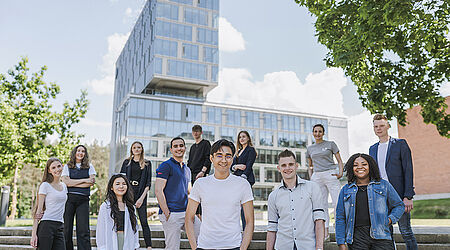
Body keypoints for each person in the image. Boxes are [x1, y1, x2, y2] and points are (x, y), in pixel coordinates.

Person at [185, 139, 254, 250]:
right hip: (205, 246)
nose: (223, 160)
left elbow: (250, 221)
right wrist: (194, 247)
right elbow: (189, 217)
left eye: (228, 156)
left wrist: (243, 248)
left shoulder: (243, 184)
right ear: (211, 158)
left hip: (233, 246)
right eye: (219, 155)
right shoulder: (200, 184)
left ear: (232, 159)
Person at [336, 153, 405, 250]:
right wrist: (341, 242)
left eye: (364, 164)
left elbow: (399, 206)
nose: (360, 167)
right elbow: (340, 217)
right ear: (351, 168)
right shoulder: (346, 190)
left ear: (370, 166)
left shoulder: (383, 185)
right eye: (355, 165)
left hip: (382, 235)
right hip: (357, 237)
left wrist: (389, 220)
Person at [369, 114, 417, 249]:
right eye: (376, 126)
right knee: (386, 233)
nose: (378, 129)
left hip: (399, 195)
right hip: (380, 196)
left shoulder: (400, 144)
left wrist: (408, 196)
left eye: (381, 125)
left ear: (388, 126)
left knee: (405, 231)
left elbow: (408, 170)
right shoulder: (372, 148)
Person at [266, 149, 326, 250]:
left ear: (296, 166)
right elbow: (272, 227)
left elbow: (319, 219)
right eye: (283, 165)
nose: (287, 168)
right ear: (278, 168)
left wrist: (319, 248)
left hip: (307, 246)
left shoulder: (312, 187)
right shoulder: (273, 196)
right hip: (282, 246)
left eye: (290, 164)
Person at [155, 137, 201, 250]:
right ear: (171, 149)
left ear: (185, 148)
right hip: (171, 214)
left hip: (186, 213)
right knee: (172, 247)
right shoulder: (165, 166)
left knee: (203, 237)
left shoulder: (187, 169)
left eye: (181, 145)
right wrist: (167, 213)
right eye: (175, 146)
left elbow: (190, 192)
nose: (178, 148)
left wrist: (195, 211)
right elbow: (158, 190)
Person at [306, 124, 344, 238]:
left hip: (330, 173)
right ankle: (325, 232)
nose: (317, 134)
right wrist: (311, 177)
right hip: (317, 176)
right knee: (321, 204)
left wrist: (340, 173)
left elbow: (339, 161)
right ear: (313, 133)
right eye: (315, 131)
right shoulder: (310, 148)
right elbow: (310, 165)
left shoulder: (330, 144)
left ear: (323, 133)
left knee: (337, 203)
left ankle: (339, 230)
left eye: (320, 131)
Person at [62, 145, 96, 250]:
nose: (80, 153)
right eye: (78, 151)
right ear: (74, 152)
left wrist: (73, 182)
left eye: (83, 151)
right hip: (69, 200)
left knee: (83, 229)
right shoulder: (67, 166)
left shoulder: (89, 166)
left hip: (83, 200)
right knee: (66, 229)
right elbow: (66, 182)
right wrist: (84, 180)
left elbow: (91, 182)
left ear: (85, 154)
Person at [120, 141, 153, 249]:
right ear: (132, 149)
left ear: (142, 149)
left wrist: (141, 199)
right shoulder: (126, 162)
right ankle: (129, 245)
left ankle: (149, 246)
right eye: (134, 147)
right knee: (128, 221)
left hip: (141, 193)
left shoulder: (147, 163)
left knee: (143, 221)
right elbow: (121, 179)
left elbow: (148, 183)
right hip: (128, 193)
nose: (137, 149)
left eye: (139, 147)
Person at [30, 158, 68, 249]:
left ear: (62, 167)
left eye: (59, 166)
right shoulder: (45, 185)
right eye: (53, 168)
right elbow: (38, 212)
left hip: (60, 225)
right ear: (49, 170)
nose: (57, 169)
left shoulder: (64, 186)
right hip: (46, 226)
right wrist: (33, 235)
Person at [96, 174, 140, 250]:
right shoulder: (106, 206)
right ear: (111, 187)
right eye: (117, 184)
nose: (121, 186)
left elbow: (135, 228)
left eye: (124, 184)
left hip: (128, 241)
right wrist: (102, 247)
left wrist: (135, 245)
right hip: (111, 241)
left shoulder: (130, 207)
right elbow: (100, 229)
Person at [230, 130, 256, 230]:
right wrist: (237, 166)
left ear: (248, 138)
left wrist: (243, 178)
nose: (242, 139)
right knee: (236, 205)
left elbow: (249, 165)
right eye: (240, 137)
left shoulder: (251, 150)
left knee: (245, 206)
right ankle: (236, 228)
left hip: (245, 180)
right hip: (236, 180)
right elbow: (232, 166)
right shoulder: (238, 151)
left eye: (244, 136)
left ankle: (247, 229)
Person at [187, 125, 211, 218]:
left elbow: (208, 158)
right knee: (194, 196)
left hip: (200, 174)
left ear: (201, 132)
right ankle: (196, 217)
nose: (195, 133)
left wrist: (203, 171)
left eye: (197, 131)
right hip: (191, 174)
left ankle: (202, 218)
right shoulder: (193, 147)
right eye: (194, 131)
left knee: (202, 196)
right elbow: (189, 161)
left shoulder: (206, 143)